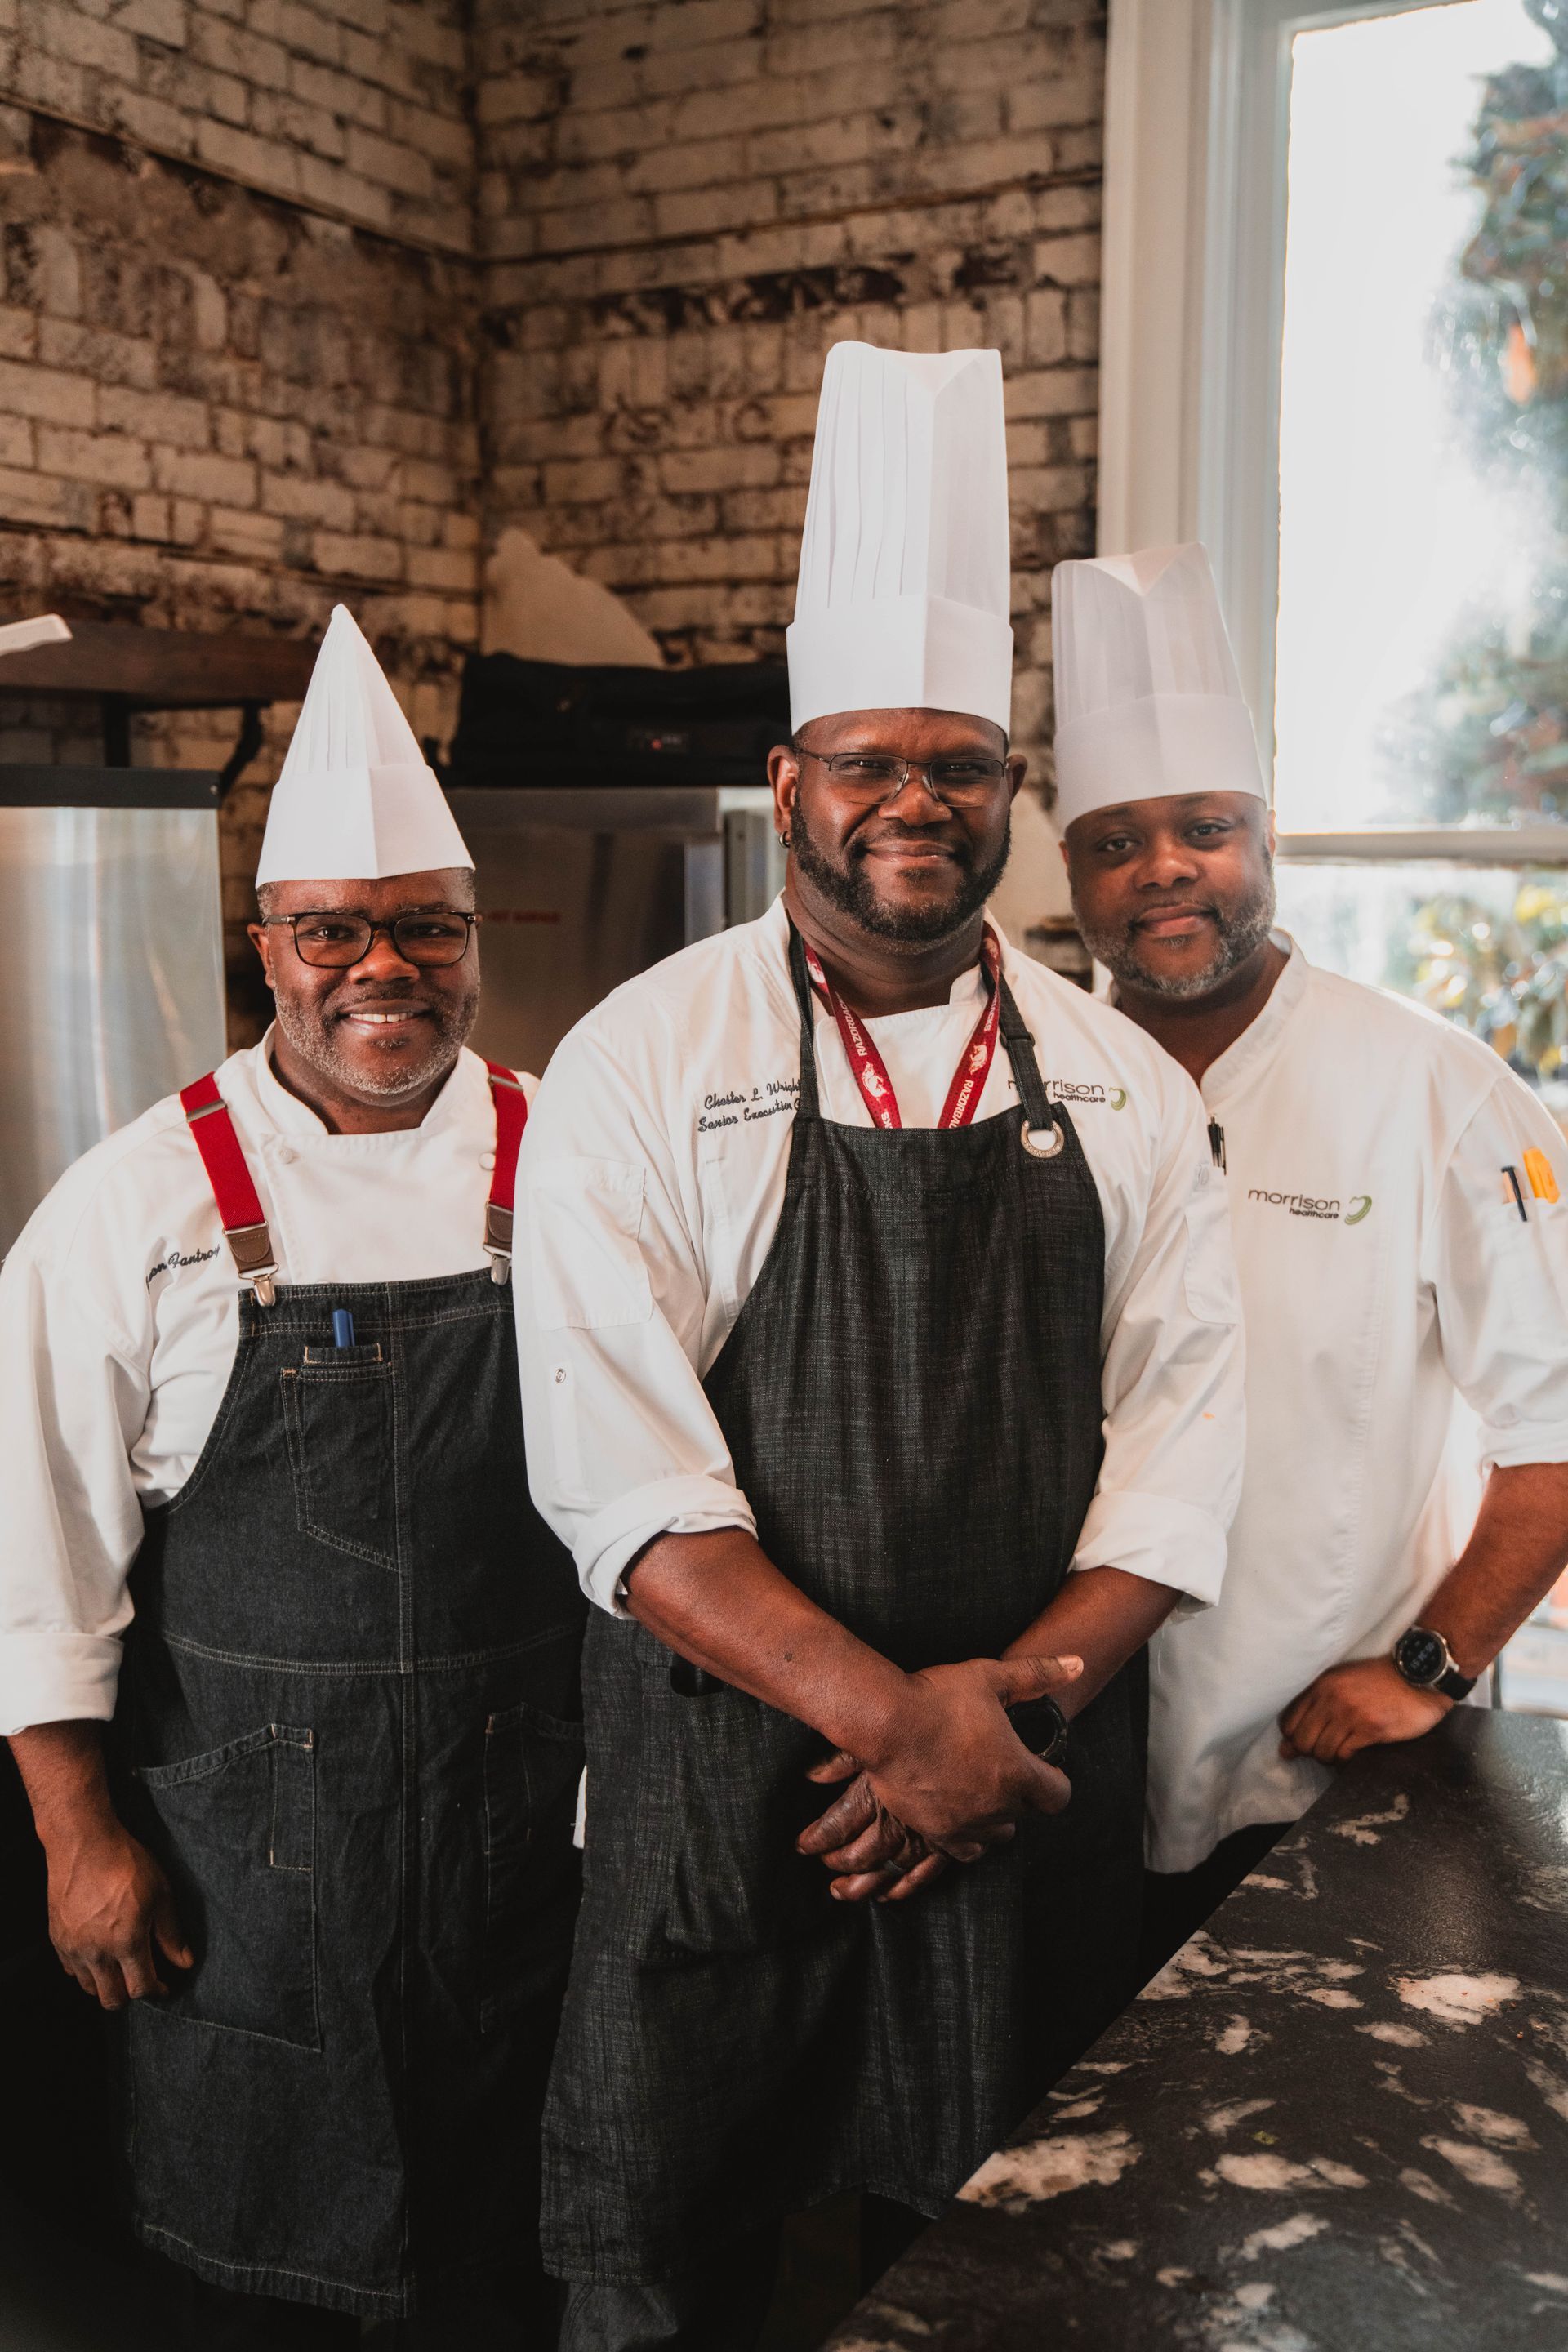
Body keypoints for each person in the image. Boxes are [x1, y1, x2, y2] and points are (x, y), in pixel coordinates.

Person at [514, 344, 1246, 2352]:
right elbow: (619, 1477)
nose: (916, 803)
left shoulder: (1111, 1078)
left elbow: (1184, 1451)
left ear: (1011, 795)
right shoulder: (639, 1061)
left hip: (1019, 1769)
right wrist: (901, 1729)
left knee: (1008, 2262)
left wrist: (1000, 1714)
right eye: (869, 763)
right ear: (790, 789)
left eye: (963, 765)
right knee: (670, 2257)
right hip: (719, 1776)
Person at [0, 607, 586, 2345]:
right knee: (250, 2271)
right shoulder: (135, 1202)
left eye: (422, 930)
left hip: (532, 1845)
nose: (381, 969)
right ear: (269, 947)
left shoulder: (577, 1165)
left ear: (476, 941)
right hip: (241, 1869)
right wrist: (76, 1832)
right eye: (335, 931)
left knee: (516, 2259)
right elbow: (37, 1544)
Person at [1053, 542, 1568, 1962]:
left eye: (1206, 828)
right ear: (1073, 871)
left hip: (1318, 1773)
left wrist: (1430, 1665)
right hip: (1053, 1766)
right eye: (1116, 840)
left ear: (1267, 838)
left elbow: (1560, 1427)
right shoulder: (1038, 1073)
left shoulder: (1432, 1090)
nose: (1165, 870)